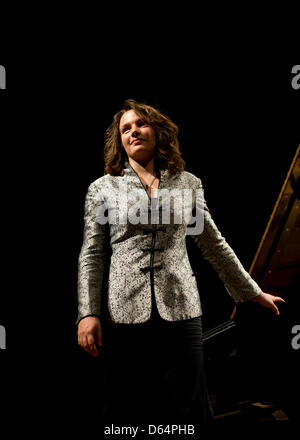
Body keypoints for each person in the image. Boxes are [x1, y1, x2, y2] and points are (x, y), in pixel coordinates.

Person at [76, 99, 285, 432]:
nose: (134, 131)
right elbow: (92, 253)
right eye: (126, 128)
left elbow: (212, 244)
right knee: (125, 409)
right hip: (123, 311)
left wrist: (252, 293)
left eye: (141, 124)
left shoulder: (188, 183)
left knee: (190, 410)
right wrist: (88, 313)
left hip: (181, 307)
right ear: (120, 141)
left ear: (157, 131)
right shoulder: (102, 188)